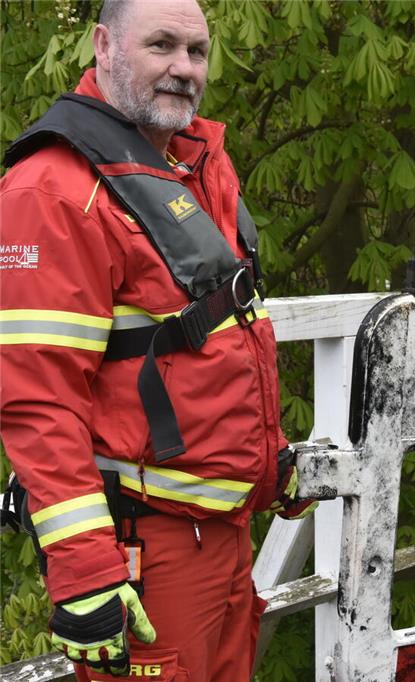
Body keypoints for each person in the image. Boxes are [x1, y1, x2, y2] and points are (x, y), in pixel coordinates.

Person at [0, 1, 313, 679]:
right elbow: (37, 399)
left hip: (224, 535)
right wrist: (84, 570)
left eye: (197, 52)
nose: (184, 68)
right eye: (162, 46)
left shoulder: (190, 162)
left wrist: (271, 458)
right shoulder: (53, 188)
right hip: (149, 545)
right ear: (103, 45)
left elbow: (208, 344)